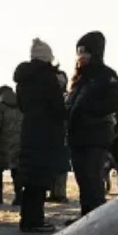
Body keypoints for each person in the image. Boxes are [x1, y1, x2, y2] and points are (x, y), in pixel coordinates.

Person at [66, 31, 118, 216]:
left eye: (85, 52)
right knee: (82, 178)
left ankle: (97, 216)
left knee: (93, 177)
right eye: (79, 52)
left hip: (96, 133)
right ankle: (86, 215)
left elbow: (115, 99)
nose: (81, 56)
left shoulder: (106, 75)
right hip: (77, 135)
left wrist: (91, 113)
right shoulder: (78, 79)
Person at [13, 38, 66, 233]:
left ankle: (28, 218)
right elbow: (58, 107)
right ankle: (34, 220)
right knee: (41, 177)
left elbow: (22, 105)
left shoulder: (23, 79)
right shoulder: (48, 77)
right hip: (46, 131)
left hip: (29, 129)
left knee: (30, 177)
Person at [0, 84, 22, 205]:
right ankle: (19, 196)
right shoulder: (21, 107)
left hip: (1, 143)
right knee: (16, 171)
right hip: (18, 143)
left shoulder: (0, 108)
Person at [49, 67, 71, 203]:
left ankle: (60, 193)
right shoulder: (51, 96)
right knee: (52, 164)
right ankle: (53, 192)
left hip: (64, 135)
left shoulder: (67, 96)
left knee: (62, 166)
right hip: (52, 134)